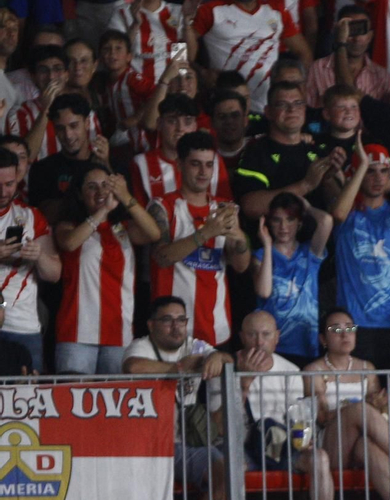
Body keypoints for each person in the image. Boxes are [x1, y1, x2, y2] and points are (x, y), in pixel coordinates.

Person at [216, 309, 341, 500]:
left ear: (277, 337)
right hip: (241, 445)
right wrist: (244, 383)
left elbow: (297, 417)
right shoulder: (225, 367)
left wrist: (304, 440)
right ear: (241, 337)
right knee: (232, 464)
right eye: (252, 335)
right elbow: (220, 426)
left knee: (319, 457)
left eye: (265, 334)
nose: (259, 342)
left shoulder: (291, 370)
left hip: (281, 445)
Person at [123, 295, 233, 500]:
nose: (176, 327)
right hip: (146, 446)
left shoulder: (194, 345)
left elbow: (227, 360)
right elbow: (134, 367)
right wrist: (180, 367)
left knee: (226, 469)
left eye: (181, 320)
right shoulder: (141, 346)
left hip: (185, 445)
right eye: (167, 320)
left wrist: (216, 357)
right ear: (151, 325)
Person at [330, 130, 390, 369]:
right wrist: (362, 164)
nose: (377, 178)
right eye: (370, 171)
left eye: (383, 171)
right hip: (357, 323)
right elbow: (338, 213)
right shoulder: (349, 213)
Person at [53, 164, 161, 375]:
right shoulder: (68, 226)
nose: (100, 192)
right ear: (80, 194)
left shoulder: (123, 228)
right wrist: (103, 211)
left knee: (114, 407)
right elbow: (70, 243)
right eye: (92, 187)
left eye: (105, 185)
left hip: (118, 334)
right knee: (73, 404)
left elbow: (154, 233)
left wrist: (126, 196)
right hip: (76, 334)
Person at [149, 133, 251, 348]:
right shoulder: (162, 206)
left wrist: (239, 237)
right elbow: (162, 257)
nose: (204, 172)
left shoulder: (225, 208)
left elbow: (241, 266)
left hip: (216, 328)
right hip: (171, 330)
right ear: (179, 165)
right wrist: (205, 233)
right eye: (196, 164)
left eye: (209, 165)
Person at [188, 0, 313, 112]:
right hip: (227, 107)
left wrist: (297, 88)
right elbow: (177, 47)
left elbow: (304, 53)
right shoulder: (211, 11)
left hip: (269, 109)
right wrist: (201, 73)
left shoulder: (276, 11)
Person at [303, 308, 390, 500]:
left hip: (362, 442)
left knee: (365, 447)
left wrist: (376, 405)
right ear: (323, 339)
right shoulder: (314, 371)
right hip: (331, 445)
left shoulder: (367, 368)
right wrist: (356, 409)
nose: (345, 334)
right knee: (360, 410)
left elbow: (377, 409)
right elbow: (322, 417)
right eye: (336, 330)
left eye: (350, 328)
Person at [233, 81, 336, 220]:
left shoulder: (319, 151)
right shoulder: (256, 151)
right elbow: (251, 206)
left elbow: (338, 212)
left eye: (298, 103)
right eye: (282, 104)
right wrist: (305, 185)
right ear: (268, 112)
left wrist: (330, 180)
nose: (292, 109)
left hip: (318, 239)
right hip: (271, 240)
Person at [251, 191, 332, 365]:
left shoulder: (309, 252)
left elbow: (326, 221)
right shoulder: (260, 255)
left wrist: (308, 208)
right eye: (277, 220)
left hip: (306, 342)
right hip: (272, 345)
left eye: (290, 219)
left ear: (299, 223)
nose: (283, 227)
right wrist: (266, 245)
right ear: (268, 223)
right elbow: (264, 291)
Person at [0, 144, 59, 372]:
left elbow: (54, 274)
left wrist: (40, 256)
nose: (4, 192)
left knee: (29, 400)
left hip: (23, 325)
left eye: (9, 184)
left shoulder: (31, 216)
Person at [131, 93, 230, 205]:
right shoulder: (142, 163)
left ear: (195, 126)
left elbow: (227, 205)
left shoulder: (214, 160)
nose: (180, 128)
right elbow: (138, 214)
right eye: (172, 121)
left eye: (187, 122)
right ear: (159, 124)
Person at [108, 0, 192, 89]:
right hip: (133, 89)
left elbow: (185, 58)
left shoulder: (176, 12)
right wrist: (135, 24)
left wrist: (186, 23)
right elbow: (116, 58)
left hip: (170, 89)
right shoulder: (122, 13)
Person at [23, 93, 104, 218]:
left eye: (74, 126)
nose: (68, 135)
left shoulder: (106, 163)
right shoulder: (42, 169)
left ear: (87, 123)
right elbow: (42, 215)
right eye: (60, 128)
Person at [308, 8, 390, 108]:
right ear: (338, 32)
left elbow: (388, 118)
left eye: (362, 31)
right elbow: (308, 110)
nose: (357, 38)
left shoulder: (383, 77)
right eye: (350, 31)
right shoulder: (317, 68)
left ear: (370, 36)